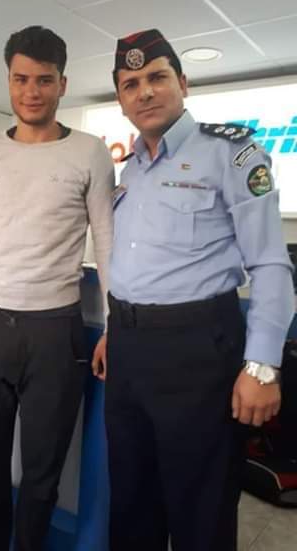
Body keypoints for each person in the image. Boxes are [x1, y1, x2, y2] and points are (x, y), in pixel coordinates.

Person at [91, 29, 295, 551]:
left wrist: (263, 366)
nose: (145, 92)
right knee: (131, 504)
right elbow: (135, 267)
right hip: (129, 352)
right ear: (121, 99)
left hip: (198, 353)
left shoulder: (231, 153)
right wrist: (116, 329)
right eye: (130, 84)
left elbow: (271, 265)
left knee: (199, 513)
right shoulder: (131, 169)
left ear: (182, 83)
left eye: (156, 77)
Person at [0, 25, 114, 551]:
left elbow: (107, 241)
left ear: (63, 84)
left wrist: (114, 326)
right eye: (21, 79)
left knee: (43, 471)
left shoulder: (90, 152)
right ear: (9, 81)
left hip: (55, 331)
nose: (31, 91)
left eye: (43, 80)